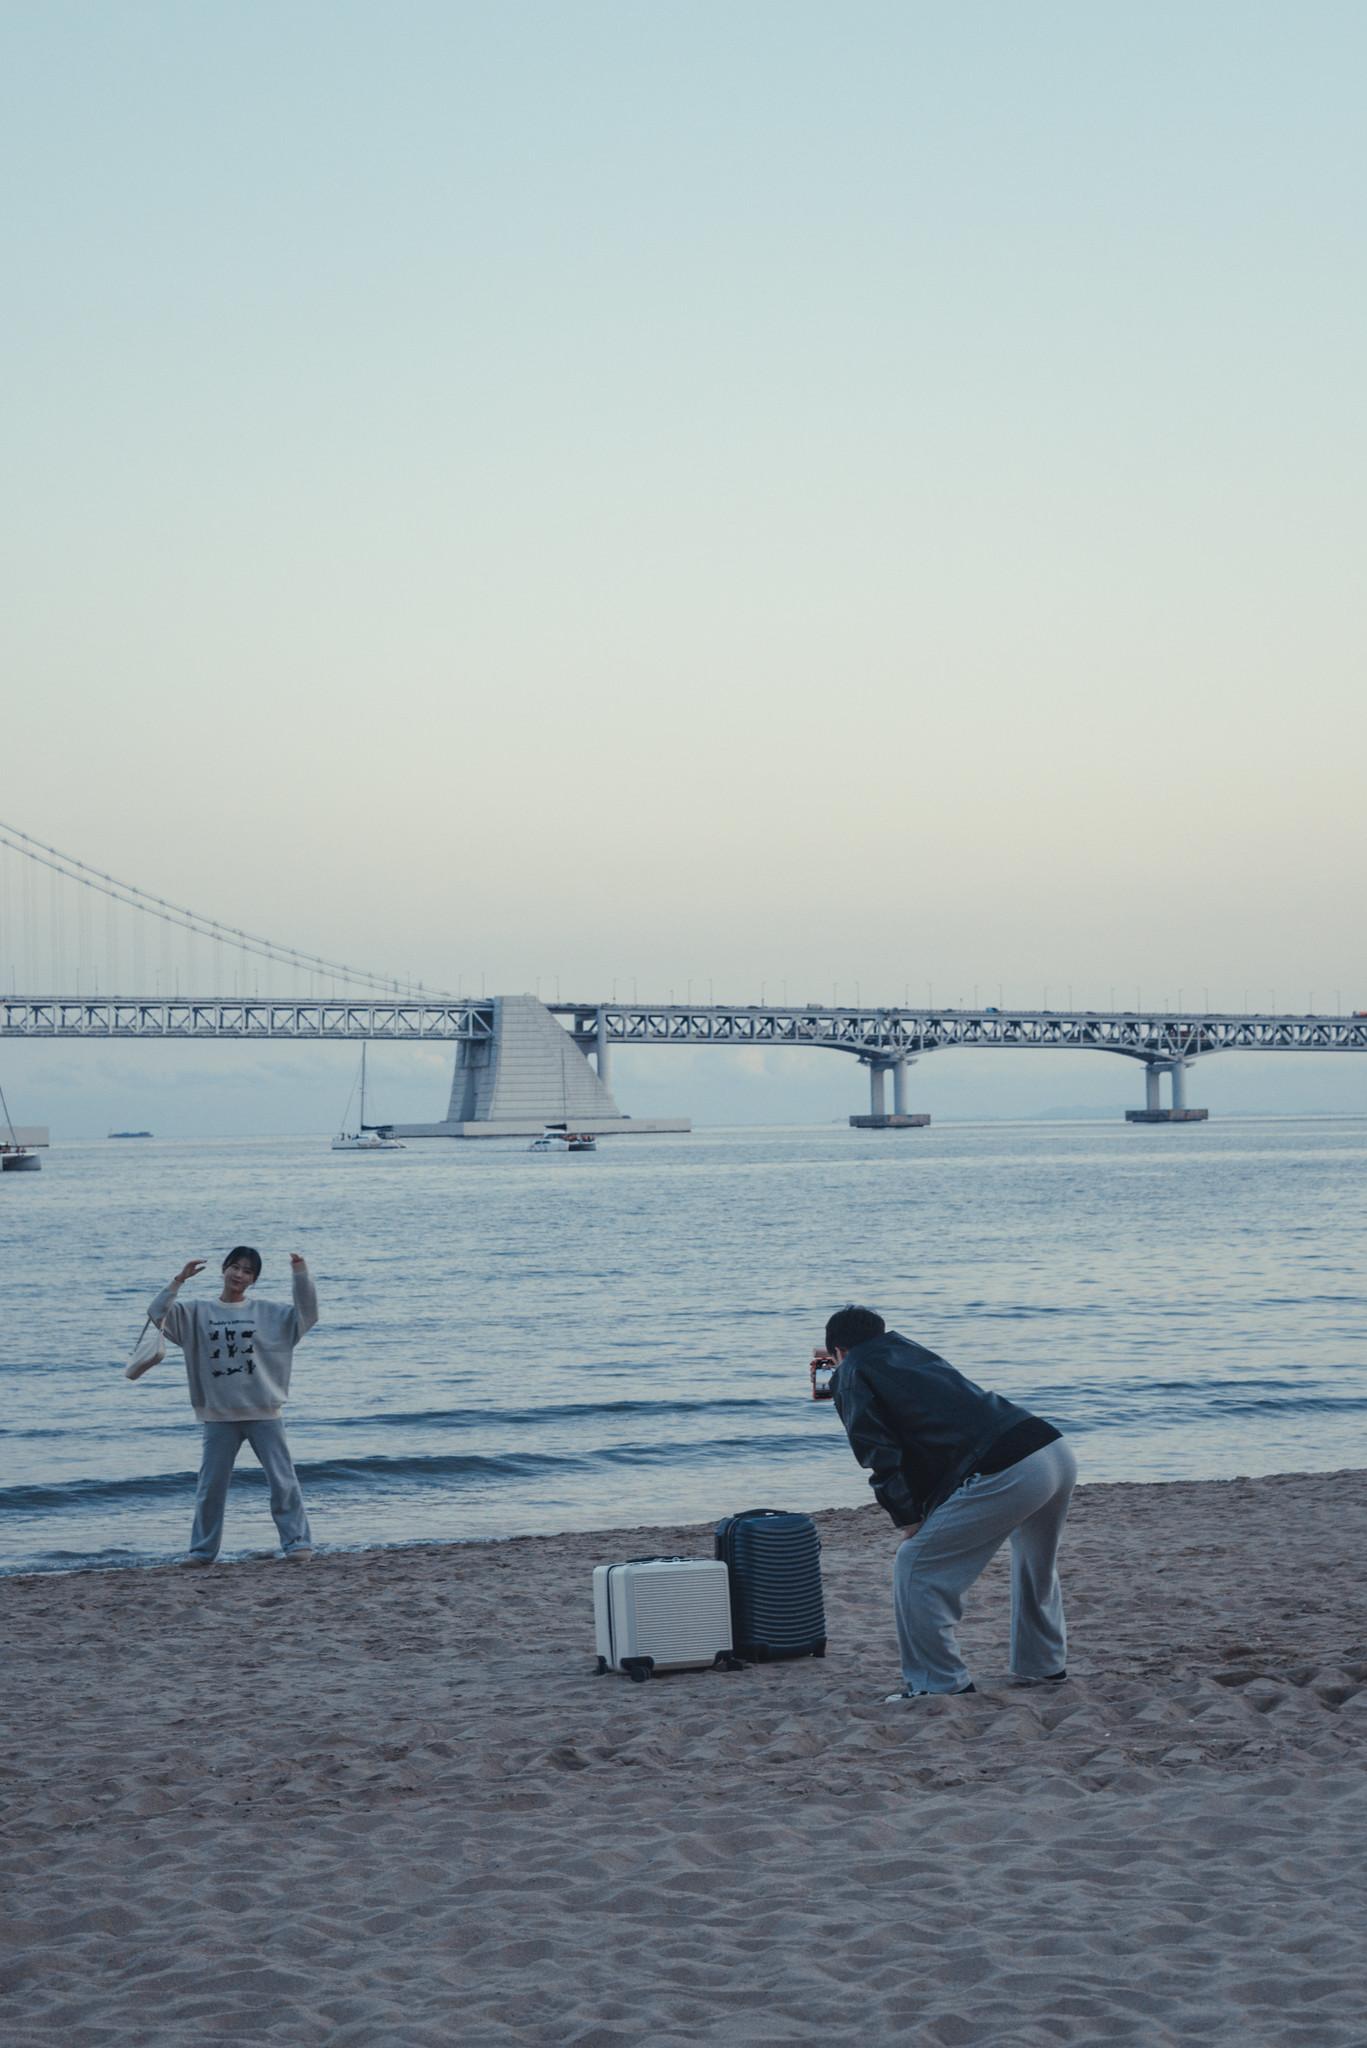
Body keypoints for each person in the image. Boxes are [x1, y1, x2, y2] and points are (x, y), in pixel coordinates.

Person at [812, 1305, 1076, 1702]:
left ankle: (939, 1684)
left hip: (1012, 1468)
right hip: (1051, 1449)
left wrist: (908, 1518)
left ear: (837, 1353)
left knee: (915, 1566)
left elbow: (878, 1453)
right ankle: (1043, 1666)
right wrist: (842, 1366)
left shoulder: (850, 1372)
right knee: (1035, 1567)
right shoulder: (906, 1349)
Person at [146, 1246, 318, 1565]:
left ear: (254, 1280)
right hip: (218, 1415)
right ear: (224, 1269)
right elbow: (157, 1315)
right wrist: (178, 1280)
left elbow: (307, 1315)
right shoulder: (196, 1312)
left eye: (248, 1271)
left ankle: (297, 1544)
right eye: (235, 1267)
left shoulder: (270, 1314)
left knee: (283, 1482)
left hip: (264, 1411)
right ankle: (202, 1551)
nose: (239, 1275)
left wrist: (300, 1274)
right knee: (210, 1487)